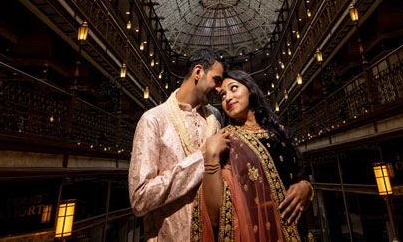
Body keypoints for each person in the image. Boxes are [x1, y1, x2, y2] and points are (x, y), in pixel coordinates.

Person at [193, 70, 314, 241]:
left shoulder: (277, 132)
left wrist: (306, 188)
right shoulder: (226, 140)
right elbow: (215, 214)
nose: (227, 98)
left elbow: (300, 174)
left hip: (297, 230)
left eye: (234, 88)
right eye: (222, 95)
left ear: (250, 90)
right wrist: (211, 156)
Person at [129, 49, 228, 242]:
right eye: (216, 80)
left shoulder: (215, 118)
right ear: (198, 72)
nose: (219, 89)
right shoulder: (153, 120)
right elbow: (139, 199)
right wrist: (204, 158)